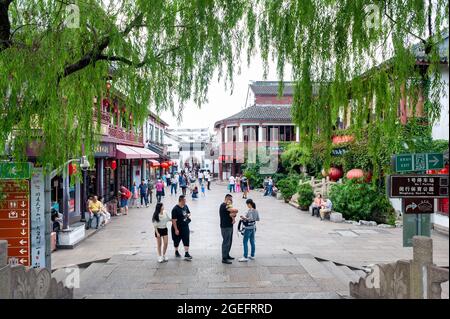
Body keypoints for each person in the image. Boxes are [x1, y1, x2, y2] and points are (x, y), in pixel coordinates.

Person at [171, 195, 193, 261]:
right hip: (178, 227)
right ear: (181, 201)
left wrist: (187, 215)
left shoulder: (185, 206)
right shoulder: (175, 209)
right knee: (176, 240)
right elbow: (173, 220)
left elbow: (189, 213)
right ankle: (176, 251)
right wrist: (176, 229)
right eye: (184, 200)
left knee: (186, 239)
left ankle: (186, 253)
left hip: (185, 226)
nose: (185, 201)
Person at [219, 194, 238, 264]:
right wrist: (235, 211)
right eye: (230, 200)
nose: (232, 201)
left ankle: (227, 255)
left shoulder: (228, 205)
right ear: (227, 199)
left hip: (230, 226)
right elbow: (234, 210)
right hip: (225, 227)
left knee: (229, 241)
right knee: (226, 242)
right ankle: (224, 258)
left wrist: (234, 214)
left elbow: (233, 214)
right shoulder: (223, 205)